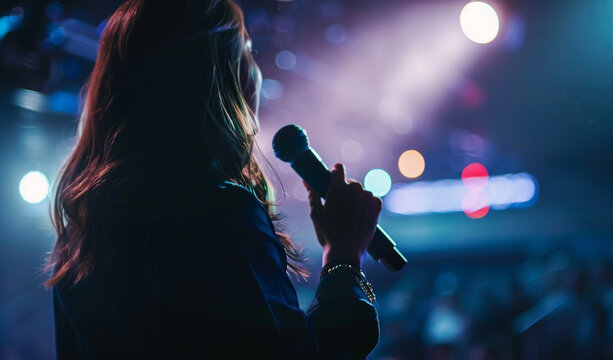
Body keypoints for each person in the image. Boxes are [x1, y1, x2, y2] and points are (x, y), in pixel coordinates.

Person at [45, 0, 381, 358]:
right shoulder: (220, 214)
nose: (257, 70)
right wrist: (343, 257)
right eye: (247, 50)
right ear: (215, 77)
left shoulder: (79, 239)